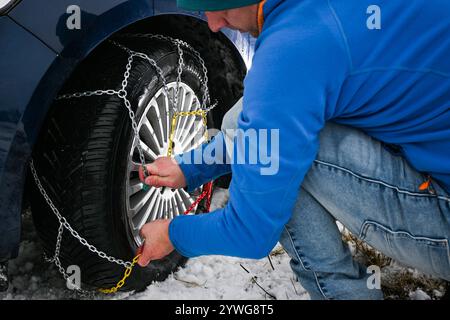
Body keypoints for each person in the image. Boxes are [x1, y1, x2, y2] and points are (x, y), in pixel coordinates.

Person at [137, 0, 450, 299]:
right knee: (274, 126)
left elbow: (250, 231)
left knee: (284, 161)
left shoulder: (291, 51)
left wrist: (173, 234)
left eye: (223, 9)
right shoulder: (321, 22)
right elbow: (268, 117)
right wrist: (193, 167)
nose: (215, 25)